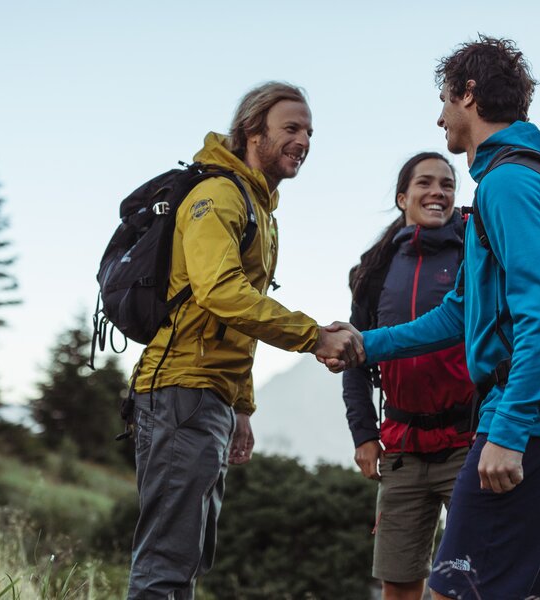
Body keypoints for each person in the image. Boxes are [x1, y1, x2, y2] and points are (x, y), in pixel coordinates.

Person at [324, 37, 540, 599]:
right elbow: (460, 313)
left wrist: (509, 430)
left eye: (445, 100)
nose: (440, 117)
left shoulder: (509, 183)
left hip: (536, 418)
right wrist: (364, 346)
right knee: (528, 589)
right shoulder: (519, 177)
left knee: (455, 591)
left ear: (469, 94)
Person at [126, 81, 364, 600]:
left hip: (208, 397)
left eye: (309, 132)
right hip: (180, 393)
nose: (304, 140)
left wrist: (242, 408)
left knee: (187, 556)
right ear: (252, 131)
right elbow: (221, 294)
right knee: (166, 561)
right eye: (291, 128)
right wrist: (312, 337)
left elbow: (234, 323)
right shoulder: (218, 196)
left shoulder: (260, 210)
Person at [343, 152, 476, 600]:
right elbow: (354, 359)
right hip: (400, 450)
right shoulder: (375, 269)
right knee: (398, 586)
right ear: (403, 197)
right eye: (425, 183)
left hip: (466, 443)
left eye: (447, 184)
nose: (437, 192)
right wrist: (364, 435)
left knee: (466, 584)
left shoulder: (475, 256)